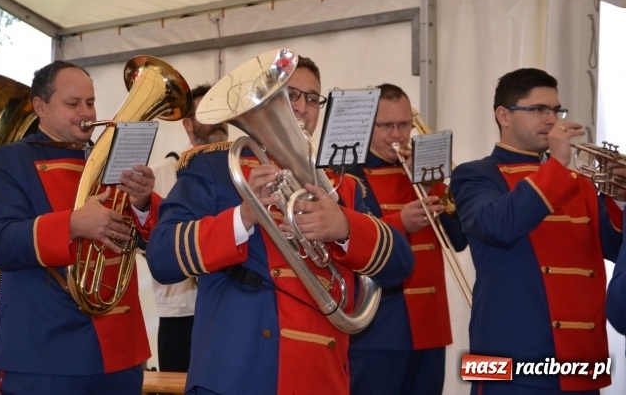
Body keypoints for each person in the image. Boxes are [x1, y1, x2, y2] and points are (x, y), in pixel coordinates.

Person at [146, 54, 414, 395]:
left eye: (313, 98)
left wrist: (344, 227)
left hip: (322, 378)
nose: (302, 108)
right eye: (290, 95)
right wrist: (243, 217)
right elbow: (163, 256)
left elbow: (399, 265)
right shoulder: (216, 168)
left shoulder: (344, 187)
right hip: (238, 376)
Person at [0, 60, 161, 395]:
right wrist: (73, 224)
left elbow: (157, 245)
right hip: (44, 350)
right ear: (40, 107)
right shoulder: (11, 160)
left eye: (90, 103)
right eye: (72, 104)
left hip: (120, 348)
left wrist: (144, 202)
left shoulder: (110, 158)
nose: (85, 112)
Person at [451, 67, 625, 394]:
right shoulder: (474, 176)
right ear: (503, 115)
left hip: (581, 361)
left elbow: (615, 249)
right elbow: (498, 225)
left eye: (556, 110)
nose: (551, 120)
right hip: (506, 359)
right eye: (538, 110)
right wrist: (557, 167)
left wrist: (620, 200)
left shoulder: (581, 184)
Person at [347, 83, 467, 395]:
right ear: (368, 126)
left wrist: (431, 185)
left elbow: (459, 238)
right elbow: (355, 238)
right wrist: (399, 223)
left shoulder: (425, 169)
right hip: (381, 329)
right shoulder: (352, 175)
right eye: (387, 126)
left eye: (404, 125)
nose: (397, 135)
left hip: (430, 325)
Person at [149, 83, 229, 373]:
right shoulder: (161, 174)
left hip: (228, 307)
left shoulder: (242, 168)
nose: (218, 120)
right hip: (180, 312)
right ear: (187, 123)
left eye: (221, 112)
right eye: (207, 113)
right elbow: (151, 245)